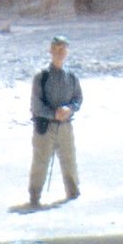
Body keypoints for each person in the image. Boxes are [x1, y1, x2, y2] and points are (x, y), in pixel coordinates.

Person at [27, 35, 83, 206]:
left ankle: (73, 193)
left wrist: (70, 109)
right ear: (50, 51)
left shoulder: (72, 77)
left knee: (69, 160)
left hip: (65, 127)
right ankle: (34, 197)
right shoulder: (41, 77)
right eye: (57, 48)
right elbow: (36, 105)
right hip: (45, 128)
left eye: (63, 48)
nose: (60, 52)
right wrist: (53, 114)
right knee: (40, 162)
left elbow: (78, 98)